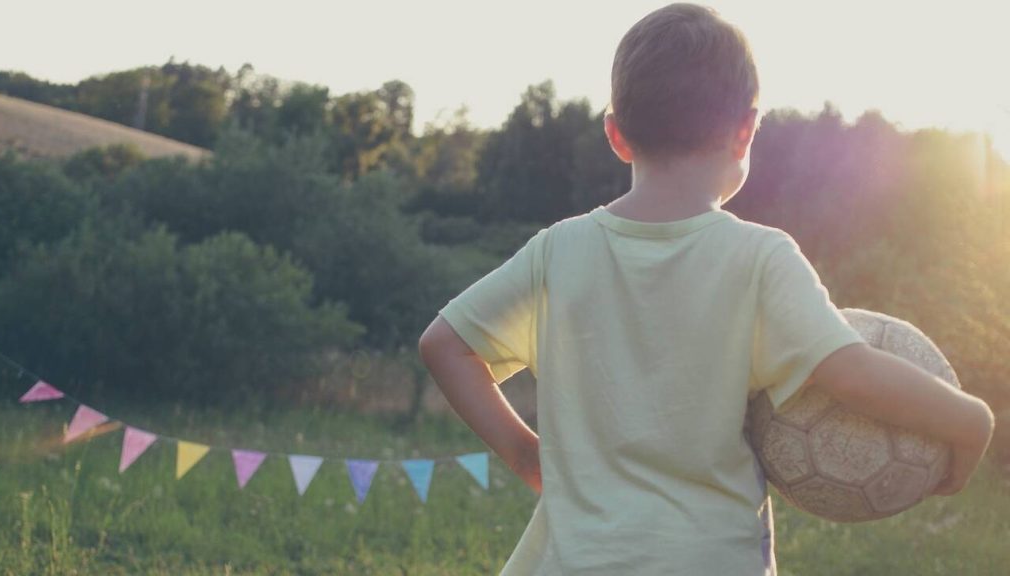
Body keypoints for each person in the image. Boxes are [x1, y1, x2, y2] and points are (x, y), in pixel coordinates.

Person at [418, 4, 995, 574]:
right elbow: (849, 372)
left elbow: (445, 344)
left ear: (616, 134)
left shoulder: (558, 250)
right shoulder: (760, 257)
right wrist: (970, 422)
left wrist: (525, 453)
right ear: (746, 129)